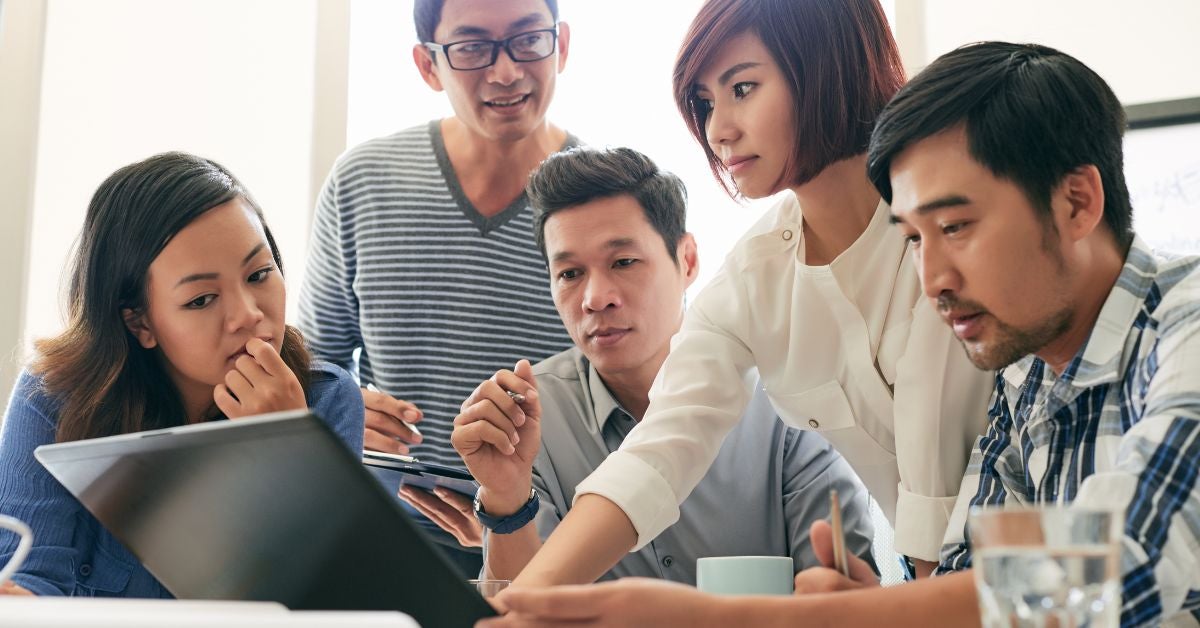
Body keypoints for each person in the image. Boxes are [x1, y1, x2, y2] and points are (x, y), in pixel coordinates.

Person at [484, 41, 1200, 628]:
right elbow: (973, 584)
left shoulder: (1186, 321)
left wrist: (753, 621)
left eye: (954, 228)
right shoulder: (1027, 379)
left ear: (1077, 201)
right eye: (915, 239)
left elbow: (1123, 559)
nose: (932, 278)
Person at [500, 0, 994, 589]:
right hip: (943, 595)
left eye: (743, 87)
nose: (717, 129)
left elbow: (937, 478)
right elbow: (658, 450)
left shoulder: (950, 227)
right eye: (706, 102)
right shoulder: (754, 277)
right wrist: (516, 610)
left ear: (824, 66)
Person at [399, 146, 874, 583]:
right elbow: (515, 614)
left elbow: (845, 593)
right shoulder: (528, 420)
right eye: (569, 273)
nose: (595, 298)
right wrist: (506, 498)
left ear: (686, 260)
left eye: (624, 262)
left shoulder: (788, 397)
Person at [0, 152, 364, 598]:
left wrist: (287, 451)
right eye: (201, 299)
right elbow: (31, 575)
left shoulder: (326, 398)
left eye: (260, 274)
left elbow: (328, 598)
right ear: (141, 324)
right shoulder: (51, 397)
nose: (249, 316)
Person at [296, 0, 577, 575]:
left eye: (528, 40)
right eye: (473, 47)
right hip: (382, 543)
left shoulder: (603, 201)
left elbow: (647, 388)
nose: (505, 71)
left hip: (558, 550)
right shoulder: (362, 183)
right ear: (428, 65)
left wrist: (517, 524)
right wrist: (342, 410)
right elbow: (312, 367)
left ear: (562, 45)